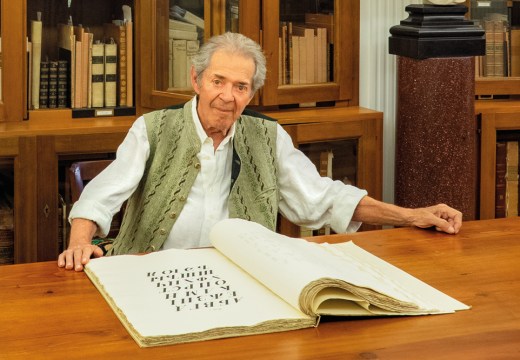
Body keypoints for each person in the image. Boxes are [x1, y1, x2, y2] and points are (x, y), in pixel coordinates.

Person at [58, 32, 462, 272]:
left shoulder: (268, 137)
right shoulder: (153, 128)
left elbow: (320, 197)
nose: (227, 96)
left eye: (241, 86)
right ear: (196, 80)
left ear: (251, 93)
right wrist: (80, 241)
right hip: (153, 268)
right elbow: (102, 194)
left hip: (242, 273)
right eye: (219, 81)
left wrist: (412, 215)